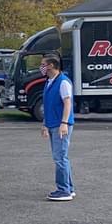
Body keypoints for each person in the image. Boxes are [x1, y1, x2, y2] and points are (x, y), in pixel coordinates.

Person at [40, 56, 76, 202]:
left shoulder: (63, 82)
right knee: (61, 157)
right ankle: (69, 188)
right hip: (52, 123)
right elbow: (49, 105)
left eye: (43, 64)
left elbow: (67, 104)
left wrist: (64, 123)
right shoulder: (49, 82)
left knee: (60, 157)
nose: (41, 67)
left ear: (51, 65)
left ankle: (63, 190)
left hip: (60, 125)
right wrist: (45, 124)